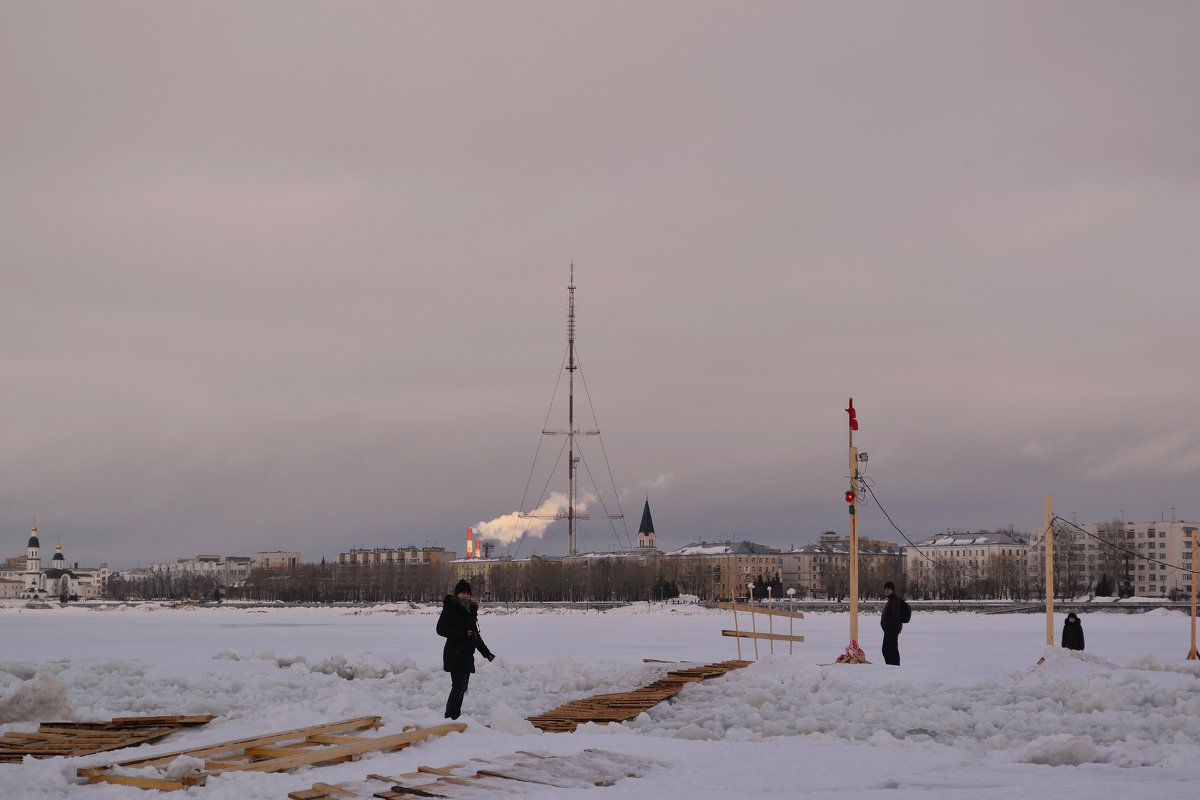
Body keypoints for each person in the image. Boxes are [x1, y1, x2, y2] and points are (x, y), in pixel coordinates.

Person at [436, 579, 495, 720]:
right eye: (463, 593)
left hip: (467, 654)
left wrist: (487, 653)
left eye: (468, 593)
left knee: (462, 687)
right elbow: (440, 629)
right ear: (457, 594)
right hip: (454, 653)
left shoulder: (470, 610)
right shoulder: (450, 608)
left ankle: (455, 716)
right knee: (458, 686)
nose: (466, 596)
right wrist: (462, 634)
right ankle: (450, 716)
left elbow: (475, 635)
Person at [880, 581, 904, 665]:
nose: (886, 591)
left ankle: (893, 667)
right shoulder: (892, 600)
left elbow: (895, 617)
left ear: (892, 590)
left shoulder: (894, 601)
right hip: (890, 630)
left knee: (889, 650)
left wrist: (887, 626)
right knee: (888, 650)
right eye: (885, 589)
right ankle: (892, 666)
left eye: (888, 589)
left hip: (892, 630)